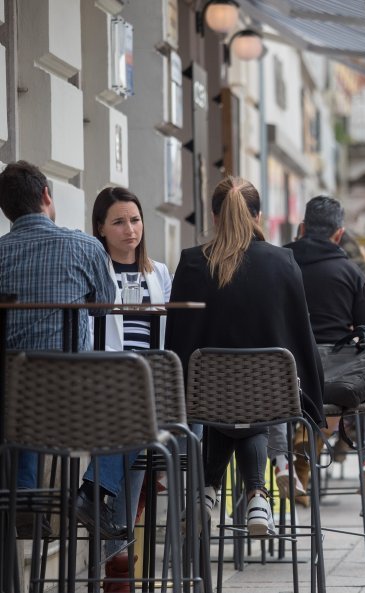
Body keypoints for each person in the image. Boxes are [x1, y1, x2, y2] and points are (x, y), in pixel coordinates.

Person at [165, 176, 324, 538]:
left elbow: (178, 341)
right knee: (250, 400)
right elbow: (300, 334)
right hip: (269, 400)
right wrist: (314, 395)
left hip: (204, 400)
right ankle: (256, 493)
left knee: (227, 401)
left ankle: (207, 491)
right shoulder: (283, 262)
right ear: (259, 215)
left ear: (214, 216)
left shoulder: (191, 263)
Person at [0, 161, 117, 538]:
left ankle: (25, 505)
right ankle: (90, 497)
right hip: (70, 391)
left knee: (22, 387)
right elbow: (105, 302)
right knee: (128, 398)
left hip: (10, 390)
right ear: (47, 196)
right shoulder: (83, 246)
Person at [84, 187, 173, 589]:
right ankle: (118, 549)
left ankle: (112, 536)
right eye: (118, 222)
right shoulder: (93, 272)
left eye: (135, 220)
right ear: (101, 228)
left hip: (151, 381)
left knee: (140, 420)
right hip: (106, 381)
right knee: (138, 433)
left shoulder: (161, 273)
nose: (130, 229)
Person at [285, 196, 365, 502]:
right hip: (335, 384)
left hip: (283, 382)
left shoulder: (279, 263)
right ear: (339, 234)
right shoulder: (350, 272)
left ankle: (285, 462)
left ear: (302, 227)